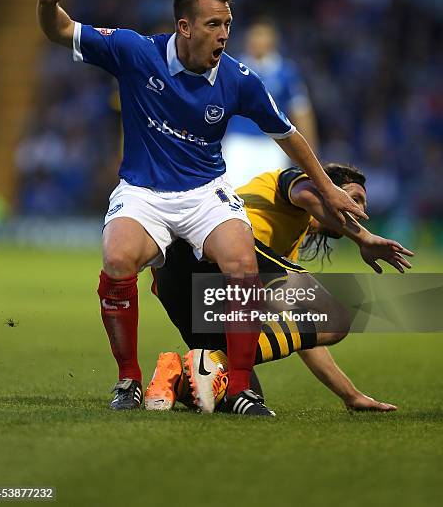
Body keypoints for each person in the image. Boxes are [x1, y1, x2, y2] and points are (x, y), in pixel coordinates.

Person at [37, 0, 367, 416]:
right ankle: (128, 380)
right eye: (214, 24)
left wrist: (328, 189)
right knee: (116, 260)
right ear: (185, 27)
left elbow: (289, 136)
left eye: (228, 23)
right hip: (143, 191)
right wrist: (47, 3)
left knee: (241, 262)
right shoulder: (136, 51)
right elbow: (60, 30)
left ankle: (241, 389)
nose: (225, 34)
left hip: (205, 192)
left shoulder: (239, 78)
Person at [145, 164, 412, 414]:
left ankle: (176, 376)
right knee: (334, 316)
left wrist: (350, 395)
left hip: (174, 277)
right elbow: (305, 194)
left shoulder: (287, 240)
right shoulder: (294, 182)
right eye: (354, 197)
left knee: (233, 394)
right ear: (328, 188)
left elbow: (300, 334)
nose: (360, 209)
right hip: (214, 248)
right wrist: (362, 237)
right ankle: (217, 362)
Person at [223, 20, 318, 187]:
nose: (258, 40)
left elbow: (301, 112)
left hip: (273, 144)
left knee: (270, 197)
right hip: (238, 142)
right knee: (233, 194)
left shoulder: (286, 72)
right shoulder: (231, 66)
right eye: (255, 35)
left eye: (263, 35)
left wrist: (311, 155)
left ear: (273, 40)